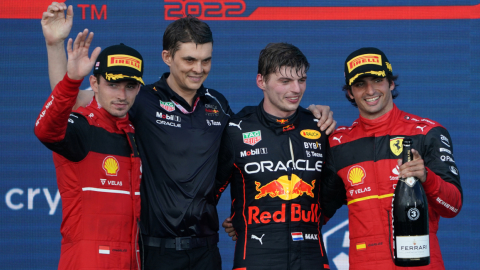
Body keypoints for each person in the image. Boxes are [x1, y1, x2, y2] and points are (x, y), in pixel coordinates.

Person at [41, 3, 336, 269]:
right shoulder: (141, 98)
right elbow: (73, 102)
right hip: (156, 249)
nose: (199, 69)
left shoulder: (217, 104)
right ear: (167, 57)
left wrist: (308, 114)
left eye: (206, 60)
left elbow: (255, 138)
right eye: (190, 60)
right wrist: (54, 45)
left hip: (206, 248)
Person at [320, 47, 463, 270]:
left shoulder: (427, 133)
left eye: (377, 80)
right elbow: (315, 215)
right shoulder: (339, 144)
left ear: (391, 83)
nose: (370, 90)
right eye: (360, 84)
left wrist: (426, 177)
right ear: (350, 92)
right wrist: (305, 119)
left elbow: (452, 206)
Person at [34, 27, 143, 270]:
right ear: (94, 82)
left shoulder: (137, 132)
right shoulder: (81, 126)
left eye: (130, 86)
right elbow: (45, 130)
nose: (122, 95)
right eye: (113, 85)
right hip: (87, 261)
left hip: (135, 260)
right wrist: (71, 81)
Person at [215, 43, 330, 270]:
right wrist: (240, 220)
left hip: (311, 257)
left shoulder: (320, 127)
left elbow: (335, 191)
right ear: (261, 81)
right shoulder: (236, 129)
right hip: (257, 257)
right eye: (285, 81)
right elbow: (207, 193)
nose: (296, 89)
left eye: (302, 80)